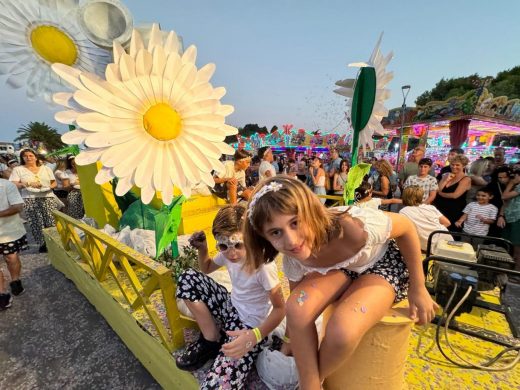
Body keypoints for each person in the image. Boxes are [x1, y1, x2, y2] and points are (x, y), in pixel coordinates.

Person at [243, 177, 437, 389]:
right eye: (276, 232)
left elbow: (407, 228)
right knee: (296, 308)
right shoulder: (294, 257)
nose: (291, 240)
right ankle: (309, 385)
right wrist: (290, 339)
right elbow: (297, 307)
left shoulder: (354, 226)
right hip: (343, 269)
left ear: (310, 210)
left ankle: (312, 381)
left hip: (383, 263)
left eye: (295, 222)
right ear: (264, 238)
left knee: (342, 329)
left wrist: (418, 287)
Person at [175, 205, 284, 388]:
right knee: (187, 278)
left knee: (218, 384)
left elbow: (281, 308)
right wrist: (203, 249)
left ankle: (224, 344)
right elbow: (207, 268)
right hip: (230, 306)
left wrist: (254, 336)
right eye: (224, 246)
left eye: (238, 245)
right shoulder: (228, 252)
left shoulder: (263, 266)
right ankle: (211, 339)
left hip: (249, 324)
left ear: (250, 237)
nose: (232, 253)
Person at [9, 149, 58, 253]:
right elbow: (13, 183)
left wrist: (49, 187)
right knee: (36, 221)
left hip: (47, 196)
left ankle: (55, 243)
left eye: (31, 155)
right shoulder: (18, 169)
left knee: (50, 220)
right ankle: (42, 244)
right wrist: (26, 184)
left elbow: (54, 183)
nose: (28, 157)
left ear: (36, 157)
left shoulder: (46, 168)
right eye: (25, 156)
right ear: (22, 158)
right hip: (29, 198)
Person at [0, 178, 28, 310]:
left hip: (8, 231)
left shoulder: (6, 185)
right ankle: (2, 294)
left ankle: (15, 280)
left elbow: (18, 207)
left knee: (11, 258)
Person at [399, 186, 452, 251]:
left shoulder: (404, 212)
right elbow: (447, 223)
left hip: (427, 246)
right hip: (445, 240)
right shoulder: (431, 208)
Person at [434, 155, 471, 232]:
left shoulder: (466, 179)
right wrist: (445, 180)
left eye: (457, 165)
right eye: (452, 164)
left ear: (463, 166)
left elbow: (455, 195)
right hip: (439, 208)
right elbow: (438, 189)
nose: (454, 167)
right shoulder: (446, 175)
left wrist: (440, 194)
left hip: (454, 210)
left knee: (450, 233)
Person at [497, 169, 520, 269]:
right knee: (509, 245)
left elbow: (504, 196)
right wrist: (501, 216)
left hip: (517, 219)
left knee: (517, 247)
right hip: (510, 218)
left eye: (515, 177)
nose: (512, 179)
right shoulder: (514, 187)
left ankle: (517, 272)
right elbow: (506, 202)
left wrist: (511, 183)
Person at [63, 155, 84, 219]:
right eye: (73, 164)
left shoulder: (84, 171)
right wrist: (73, 184)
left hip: (85, 194)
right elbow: (65, 187)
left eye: (76, 163)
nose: (75, 165)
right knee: (74, 215)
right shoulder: (67, 172)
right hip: (74, 194)